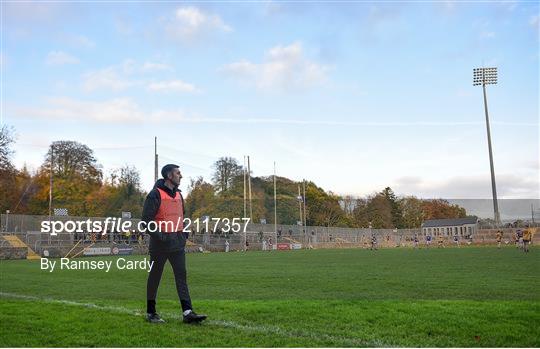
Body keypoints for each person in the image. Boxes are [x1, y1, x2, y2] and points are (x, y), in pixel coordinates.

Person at [142, 164, 207, 324]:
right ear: (169, 176)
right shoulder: (154, 194)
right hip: (160, 246)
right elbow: (146, 222)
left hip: (177, 244)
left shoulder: (179, 195)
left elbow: (181, 217)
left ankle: (188, 312)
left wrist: (183, 234)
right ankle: (151, 312)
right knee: (155, 277)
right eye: (178, 173)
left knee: (181, 277)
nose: (181, 176)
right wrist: (162, 237)